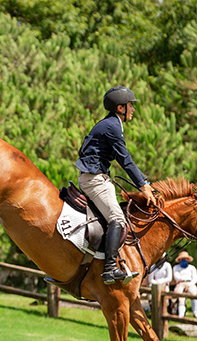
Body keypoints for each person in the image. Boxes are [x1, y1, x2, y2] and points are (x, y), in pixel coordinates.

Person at [76, 86, 157, 285]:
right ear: (120, 107)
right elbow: (125, 160)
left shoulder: (112, 124)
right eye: (131, 106)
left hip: (98, 177)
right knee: (118, 219)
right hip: (94, 180)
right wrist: (143, 185)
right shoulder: (112, 126)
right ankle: (110, 269)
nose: (133, 109)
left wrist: (144, 182)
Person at [172, 251, 197, 319]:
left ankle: (195, 312)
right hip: (180, 283)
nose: (183, 260)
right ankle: (181, 314)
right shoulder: (176, 267)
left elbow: (194, 279)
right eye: (182, 259)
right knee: (180, 296)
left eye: (185, 259)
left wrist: (189, 284)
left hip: (190, 283)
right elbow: (176, 276)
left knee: (193, 293)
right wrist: (183, 280)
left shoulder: (192, 268)